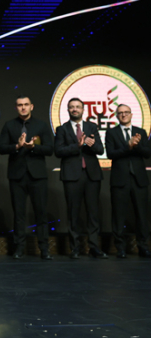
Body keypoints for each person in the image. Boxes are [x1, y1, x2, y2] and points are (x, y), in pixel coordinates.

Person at [0, 96, 54, 259]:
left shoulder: (41, 125)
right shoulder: (9, 125)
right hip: (17, 175)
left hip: (38, 175)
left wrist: (33, 147)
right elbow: (1, 148)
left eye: (26, 105)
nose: (23, 107)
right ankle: (19, 248)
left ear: (32, 106)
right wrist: (17, 146)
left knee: (41, 213)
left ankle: (44, 249)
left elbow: (50, 149)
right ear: (16, 107)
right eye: (20, 105)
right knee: (19, 214)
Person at [55, 98, 107, 259]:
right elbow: (58, 151)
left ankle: (94, 247)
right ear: (68, 110)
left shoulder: (92, 127)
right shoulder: (62, 129)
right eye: (72, 107)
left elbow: (100, 150)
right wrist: (77, 146)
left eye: (78, 107)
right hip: (72, 175)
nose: (75, 109)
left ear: (83, 110)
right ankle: (75, 248)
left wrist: (91, 144)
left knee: (93, 212)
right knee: (73, 213)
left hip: (91, 175)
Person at [106, 104, 151, 258]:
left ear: (131, 115)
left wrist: (136, 146)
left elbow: (147, 153)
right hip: (120, 180)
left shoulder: (141, 132)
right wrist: (128, 146)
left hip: (139, 180)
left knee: (142, 215)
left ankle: (143, 246)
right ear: (116, 116)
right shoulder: (111, 132)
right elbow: (110, 154)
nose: (123, 115)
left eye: (126, 112)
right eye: (120, 113)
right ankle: (120, 248)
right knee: (119, 216)